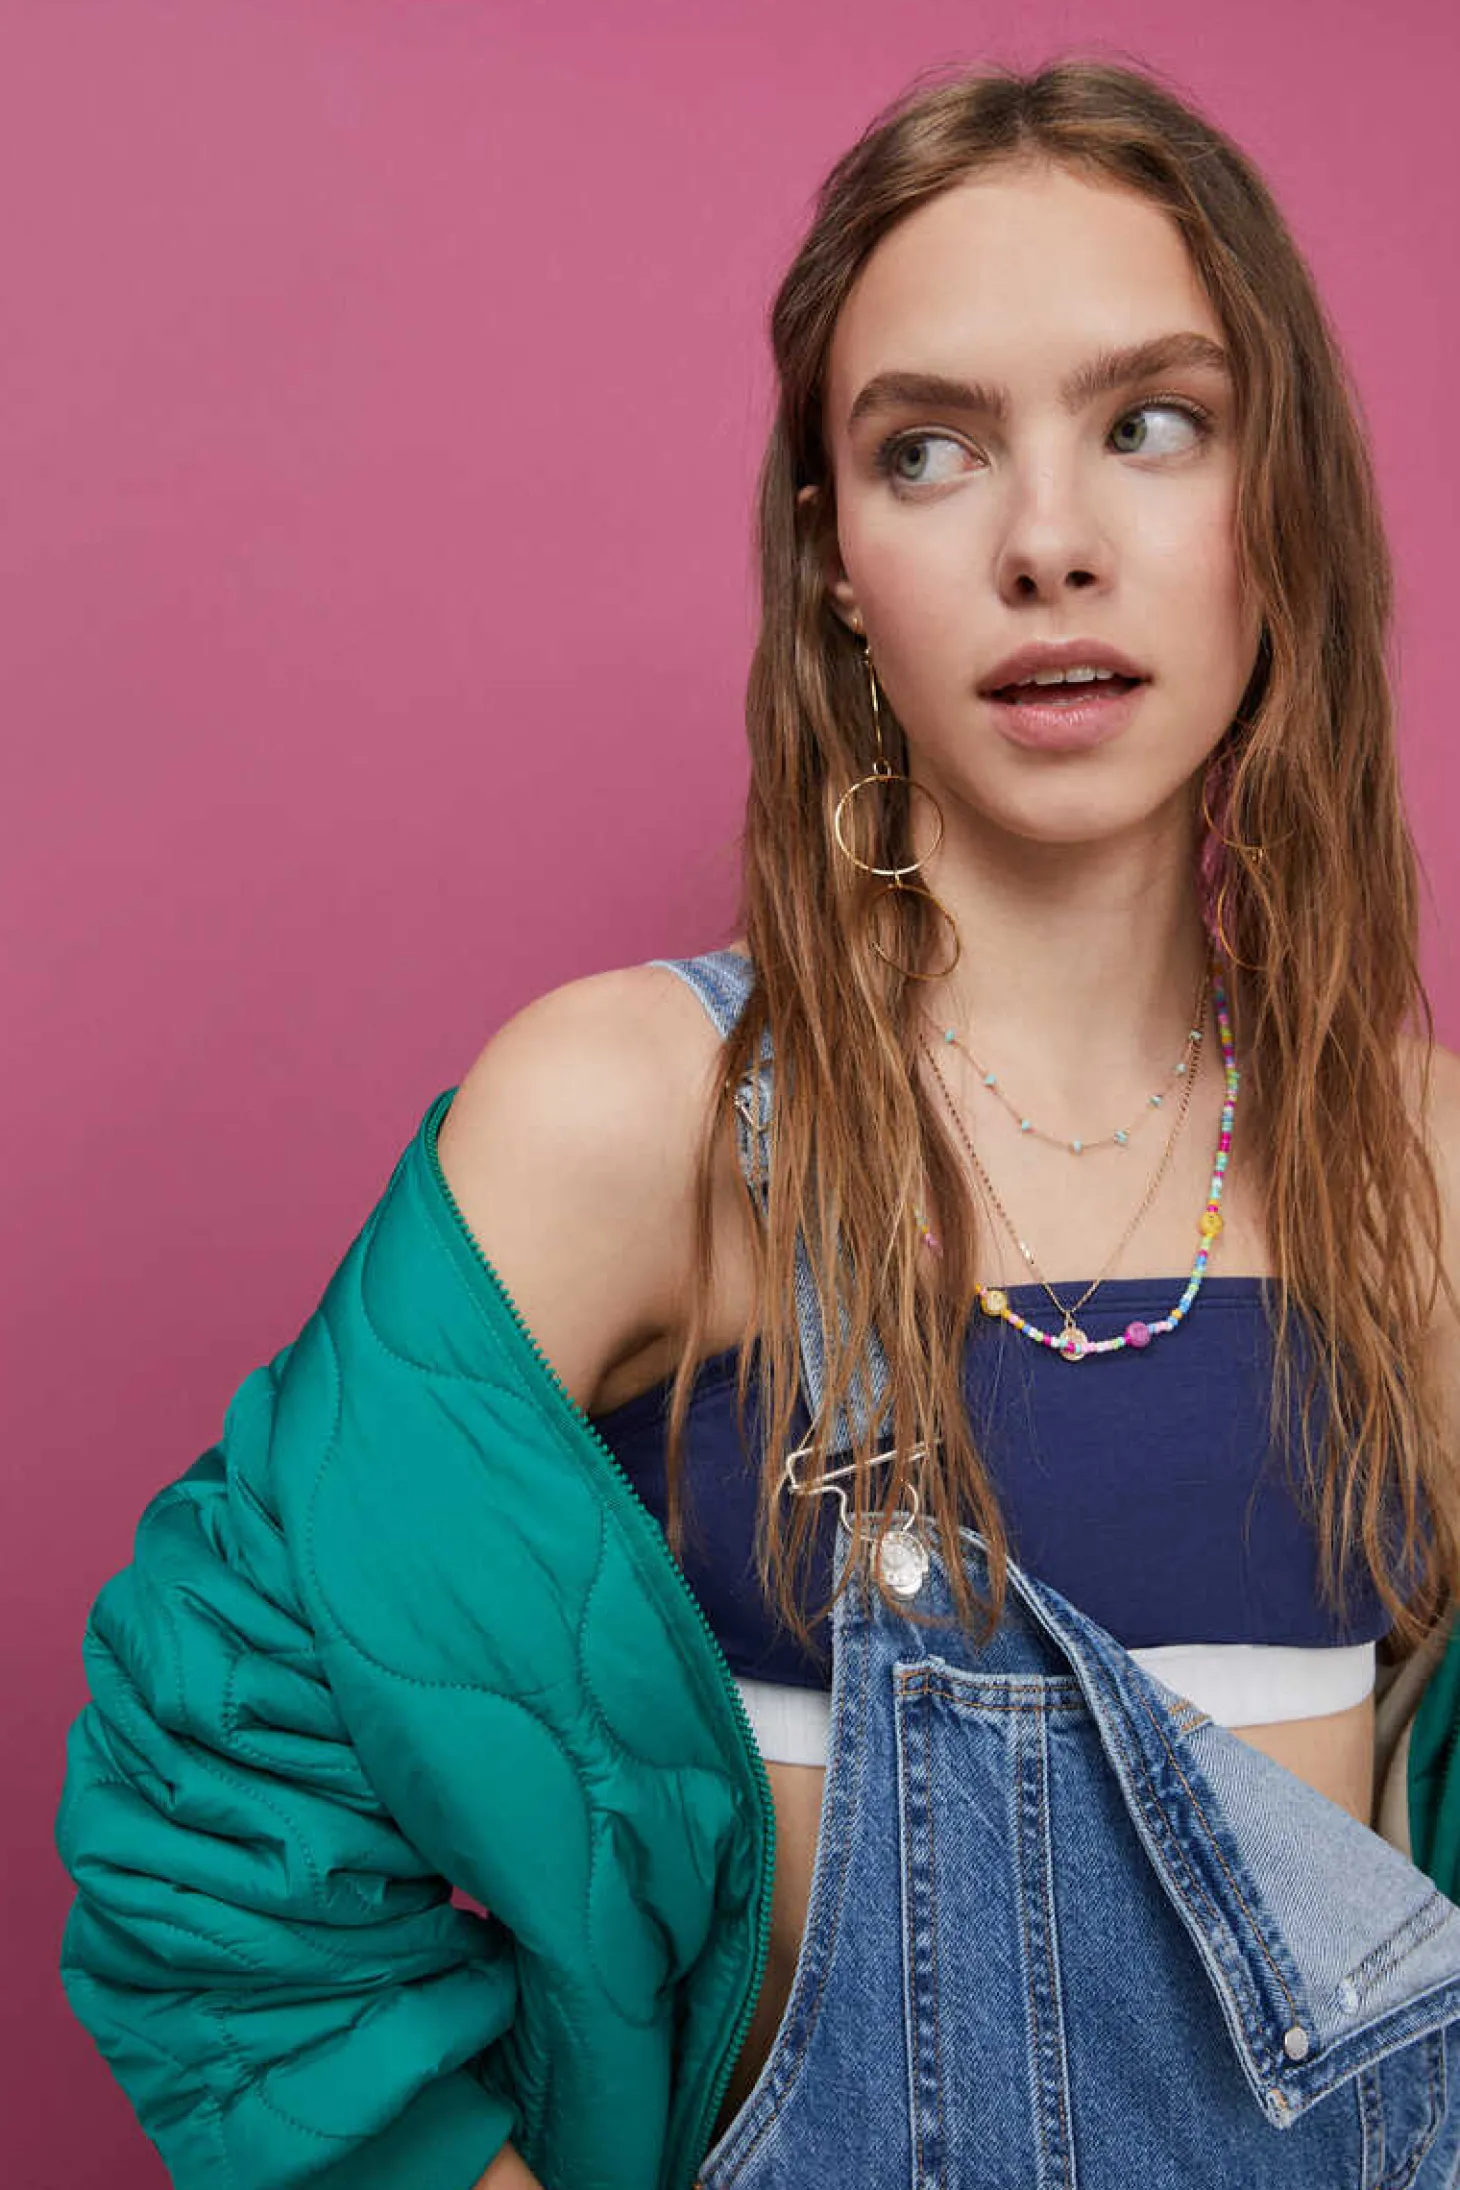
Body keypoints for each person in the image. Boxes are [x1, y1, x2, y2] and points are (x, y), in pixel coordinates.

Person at [55, 53, 1460, 2190]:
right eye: (928, 451)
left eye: (1152, 423)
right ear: (835, 565)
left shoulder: (1415, 1175)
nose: (1048, 544)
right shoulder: (649, 1122)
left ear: (1285, 503)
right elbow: (209, 1818)